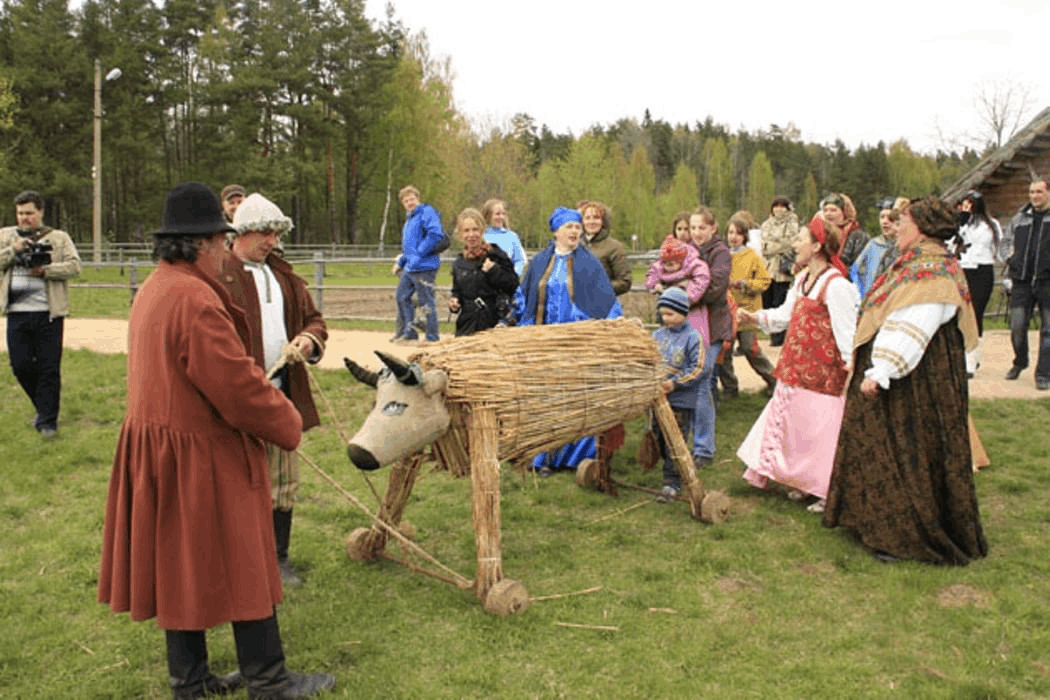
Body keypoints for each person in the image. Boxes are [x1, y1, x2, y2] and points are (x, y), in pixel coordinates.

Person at [97, 183, 336, 699]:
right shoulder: (194, 299)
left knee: (181, 564)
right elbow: (236, 388)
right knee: (247, 560)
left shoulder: (158, 288)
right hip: (199, 452)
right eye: (217, 242)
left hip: (164, 449)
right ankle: (268, 681)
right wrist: (286, 420)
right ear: (202, 244)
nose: (221, 251)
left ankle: (191, 679)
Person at [823, 198, 987, 565]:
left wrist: (882, 369)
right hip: (913, 374)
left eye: (904, 221)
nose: (897, 227)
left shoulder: (931, 269)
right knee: (895, 447)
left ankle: (905, 535)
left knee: (907, 449)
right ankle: (877, 523)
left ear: (924, 228)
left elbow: (914, 323)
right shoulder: (918, 262)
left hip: (913, 378)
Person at [221, 193, 329, 589]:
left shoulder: (284, 276)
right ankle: (238, 561)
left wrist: (306, 340)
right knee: (238, 482)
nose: (272, 240)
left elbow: (315, 320)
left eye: (277, 232)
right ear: (243, 232)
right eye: (266, 232)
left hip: (281, 396)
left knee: (283, 481)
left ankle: (277, 559)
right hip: (234, 402)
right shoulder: (219, 277)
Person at [737, 216, 860, 513]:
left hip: (823, 374)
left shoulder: (836, 286)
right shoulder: (803, 280)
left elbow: (847, 334)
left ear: (817, 246)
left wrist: (849, 370)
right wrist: (755, 318)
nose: (794, 244)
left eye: (800, 239)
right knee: (799, 430)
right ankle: (805, 484)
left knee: (822, 433)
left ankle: (825, 489)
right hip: (797, 368)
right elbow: (784, 315)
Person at [517, 206, 622, 474]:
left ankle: (573, 458)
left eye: (577, 227)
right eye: (569, 227)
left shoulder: (590, 264)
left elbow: (606, 302)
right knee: (545, 399)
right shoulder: (540, 262)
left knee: (576, 399)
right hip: (544, 342)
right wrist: (525, 327)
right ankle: (541, 458)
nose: (575, 231)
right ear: (556, 231)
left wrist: (602, 326)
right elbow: (524, 297)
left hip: (577, 343)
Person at [0, 190, 81, 438]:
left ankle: (48, 422)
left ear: (41, 212)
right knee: (21, 366)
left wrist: (46, 270)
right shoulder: (5, 236)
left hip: (49, 313)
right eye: (20, 213)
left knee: (48, 368)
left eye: (29, 213)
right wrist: (13, 250)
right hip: (17, 312)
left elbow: (74, 266)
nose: (24, 218)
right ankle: (44, 407)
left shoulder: (58, 238)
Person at [651, 287, 704, 502]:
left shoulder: (693, 338)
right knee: (659, 437)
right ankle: (672, 467)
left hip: (681, 400)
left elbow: (698, 368)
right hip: (658, 399)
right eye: (662, 314)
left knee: (675, 439)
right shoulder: (657, 335)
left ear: (683, 312)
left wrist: (675, 383)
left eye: (670, 314)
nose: (665, 318)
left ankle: (671, 482)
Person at [688, 206, 731, 469]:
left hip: (713, 327)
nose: (696, 233)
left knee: (702, 381)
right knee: (686, 383)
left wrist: (685, 293)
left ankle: (704, 448)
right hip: (689, 327)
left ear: (713, 228)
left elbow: (716, 289)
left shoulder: (721, 253)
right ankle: (683, 441)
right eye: (693, 228)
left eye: (701, 228)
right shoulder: (688, 250)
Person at [1000, 179, 1050, 389]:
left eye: (1039, 192)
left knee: (1048, 331)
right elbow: (1004, 242)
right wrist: (1009, 259)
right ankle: (1020, 361)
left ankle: (1043, 374)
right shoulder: (1020, 218)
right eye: (1032, 192)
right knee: (1017, 326)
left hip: (1047, 282)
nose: (1035, 196)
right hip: (1021, 281)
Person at [724, 213, 776, 395]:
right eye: (730, 232)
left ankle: (773, 380)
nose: (733, 237)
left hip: (747, 311)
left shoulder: (751, 256)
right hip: (727, 313)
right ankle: (730, 388)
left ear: (744, 236)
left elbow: (764, 280)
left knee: (749, 348)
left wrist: (745, 284)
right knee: (725, 352)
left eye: (738, 233)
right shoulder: (722, 256)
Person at [448, 207, 519, 336]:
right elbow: (457, 290)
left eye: (475, 229)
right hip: (467, 324)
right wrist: (454, 302)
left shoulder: (496, 254)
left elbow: (513, 284)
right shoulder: (459, 263)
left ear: (482, 230)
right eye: (466, 230)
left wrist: (494, 271)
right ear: (460, 234)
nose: (471, 235)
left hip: (494, 323)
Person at [956, 190, 1002, 377]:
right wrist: (961, 223)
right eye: (963, 204)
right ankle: (962, 356)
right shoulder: (960, 224)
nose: (966, 207)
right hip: (963, 268)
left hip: (982, 270)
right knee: (960, 313)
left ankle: (971, 359)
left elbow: (998, 249)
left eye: (969, 204)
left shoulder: (991, 225)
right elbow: (952, 244)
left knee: (976, 314)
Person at [392, 185, 446, 345]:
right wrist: (401, 261)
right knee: (402, 296)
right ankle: (410, 332)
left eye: (412, 198)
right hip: (411, 267)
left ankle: (432, 336)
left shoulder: (426, 213)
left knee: (426, 301)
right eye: (406, 200)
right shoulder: (410, 219)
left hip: (425, 266)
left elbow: (435, 234)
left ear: (418, 198)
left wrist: (419, 253)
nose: (409, 202)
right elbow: (408, 248)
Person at [644, 233, 711, 350]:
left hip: (690, 308)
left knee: (693, 336)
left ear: (681, 261)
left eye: (672, 264)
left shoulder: (693, 266)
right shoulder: (660, 267)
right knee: (670, 337)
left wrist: (686, 296)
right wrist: (655, 284)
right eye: (665, 264)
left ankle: (696, 354)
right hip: (669, 307)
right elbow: (652, 273)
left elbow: (702, 278)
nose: (668, 267)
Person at [759, 196, 799, 347]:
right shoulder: (766, 224)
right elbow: (764, 245)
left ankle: (780, 337)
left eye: (782, 206)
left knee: (780, 302)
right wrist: (778, 243)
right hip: (767, 270)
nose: (779, 209)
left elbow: (791, 243)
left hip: (782, 271)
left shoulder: (792, 223)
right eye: (776, 206)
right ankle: (771, 336)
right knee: (767, 302)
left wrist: (774, 245)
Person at [579, 200, 632, 295]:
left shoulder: (615, 247)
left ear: (603, 221)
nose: (591, 222)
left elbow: (625, 282)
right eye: (587, 218)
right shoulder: (575, 245)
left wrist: (599, 287)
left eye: (596, 218)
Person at [850, 200, 900, 299]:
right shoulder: (873, 244)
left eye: (890, 218)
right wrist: (862, 293)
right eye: (882, 217)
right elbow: (855, 270)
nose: (885, 221)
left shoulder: (904, 247)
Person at [822, 193, 870, 269]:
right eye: (825, 210)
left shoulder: (858, 236)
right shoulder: (823, 234)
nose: (828, 214)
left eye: (833, 210)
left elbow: (861, 266)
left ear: (845, 212)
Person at [481, 198, 527, 277]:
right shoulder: (481, 236)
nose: (501, 217)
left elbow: (520, 260)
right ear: (488, 216)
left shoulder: (511, 236)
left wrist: (514, 275)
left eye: (503, 214)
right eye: (497, 214)